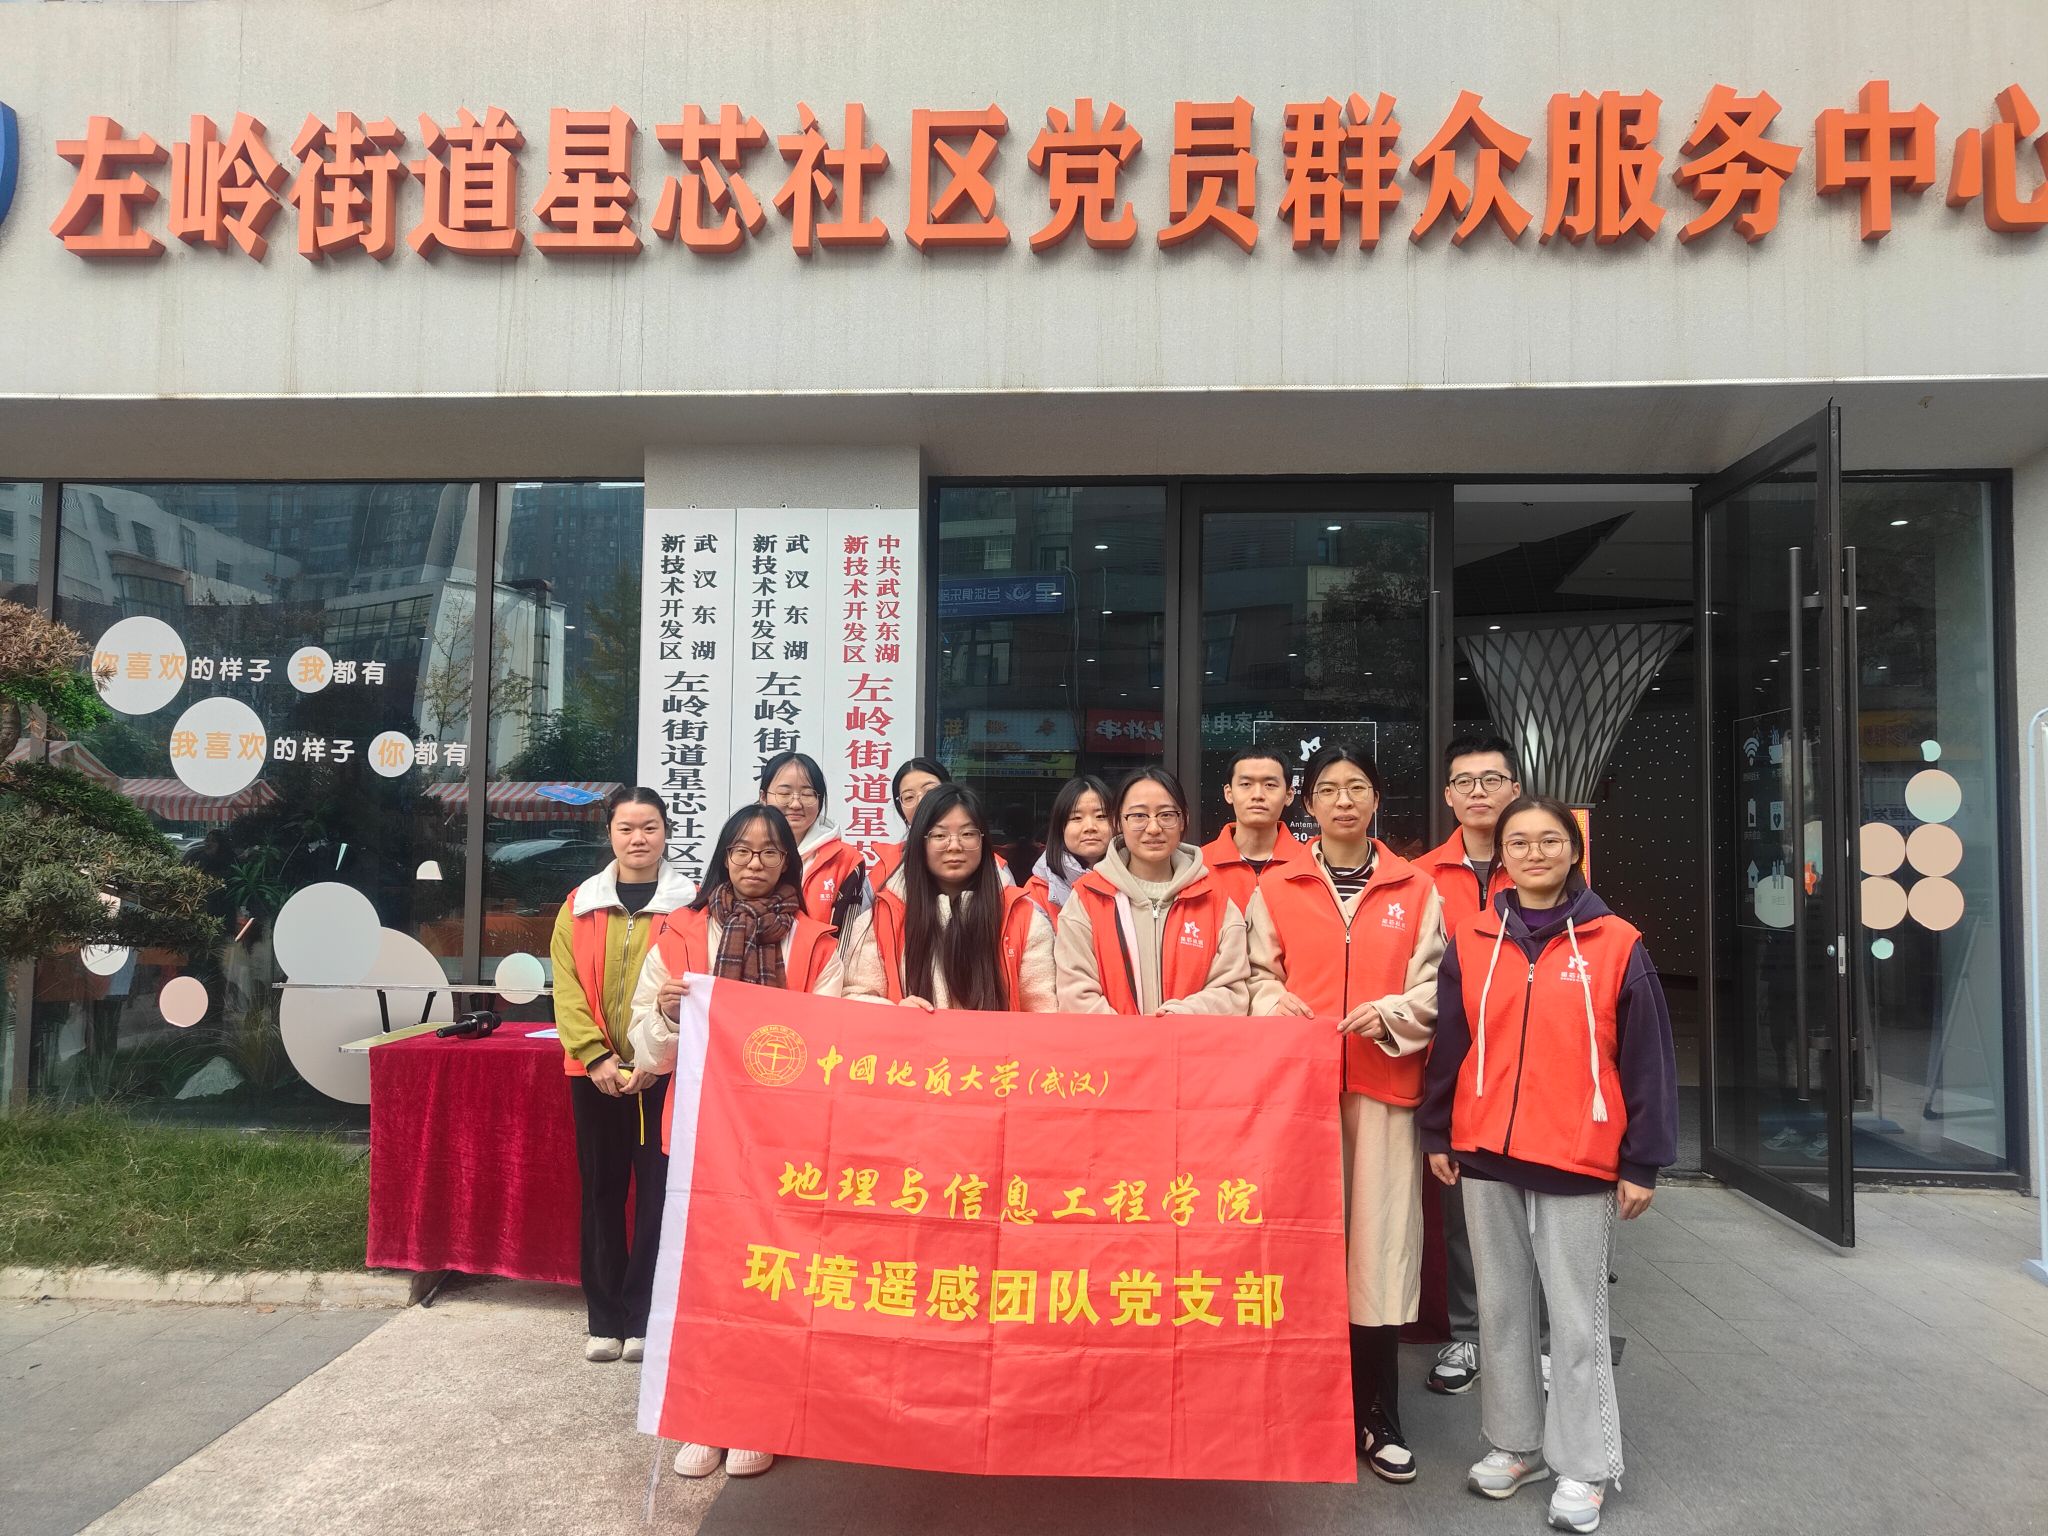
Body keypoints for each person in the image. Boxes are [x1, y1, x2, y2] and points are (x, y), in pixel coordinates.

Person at [1420, 796, 1676, 1535]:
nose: (1534, 853)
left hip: (1578, 1155)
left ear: (1573, 851)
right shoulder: (1474, 938)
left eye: (1549, 841)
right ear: (1502, 856)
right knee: (1500, 1311)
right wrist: (1438, 1131)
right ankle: (1516, 1444)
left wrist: (1643, 1161)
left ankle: (1585, 1465)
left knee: (1575, 1319)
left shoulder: (1617, 942)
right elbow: (1451, 1043)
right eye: (1519, 842)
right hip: (1485, 1151)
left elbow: (1648, 1060)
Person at [1246, 743, 1444, 1484]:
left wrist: (1391, 1013)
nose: (1343, 802)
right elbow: (1252, 975)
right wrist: (1275, 1003)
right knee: (1295, 1249)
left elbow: (1437, 987)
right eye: (1328, 790)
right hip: (1298, 1100)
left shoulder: (1416, 888)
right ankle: (1298, 1406)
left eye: (1357, 787)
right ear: (1308, 805)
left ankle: (1378, 1412)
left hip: (1383, 1091)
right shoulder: (1279, 886)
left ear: (1376, 799)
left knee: (1378, 1255)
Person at [627, 803, 842, 1483]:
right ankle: (706, 1415)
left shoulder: (817, 941)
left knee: (773, 1279)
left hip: (786, 1141)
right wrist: (666, 1018)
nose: (755, 863)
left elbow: (834, 1042)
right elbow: (647, 1050)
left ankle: (759, 1416)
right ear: (723, 856)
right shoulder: (680, 933)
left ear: (789, 861)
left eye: (770, 851)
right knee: (704, 1280)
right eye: (743, 850)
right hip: (701, 1136)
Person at [549, 786, 695, 1365]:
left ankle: (643, 1318)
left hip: (663, 1073)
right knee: (601, 1193)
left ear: (667, 833)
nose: (638, 839)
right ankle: (604, 1319)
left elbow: (690, 987)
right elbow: (565, 988)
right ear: (609, 833)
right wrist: (595, 1056)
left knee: (659, 1194)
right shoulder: (580, 904)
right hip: (595, 1074)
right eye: (626, 828)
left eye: (650, 827)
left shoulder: (690, 907)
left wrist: (655, 1060)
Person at [1415, 734, 1523, 1397]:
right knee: (1463, 1211)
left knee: (1540, 1207)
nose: (1478, 791)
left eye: (1492, 779)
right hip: (1455, 1063)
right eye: (1465, 781)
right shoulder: (1419, 877)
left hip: (1532, 1061)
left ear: (1515, 789)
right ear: (1448, 796)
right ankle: (1468, 1334)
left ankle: (1538, 1343)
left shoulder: (1544, 861)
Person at [838, 783, 1055, 1010]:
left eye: (967, 834)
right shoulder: (881, 919)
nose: (954, 845)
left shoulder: (1024, 919)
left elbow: (1044, 1013)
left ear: (983, 841)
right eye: (940, 835)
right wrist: (896, 1014)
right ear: (920, 842)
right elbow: (856, 998)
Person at [1053, 766, 1249, 1014]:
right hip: (1111, 1040)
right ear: (1118, 822)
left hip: (1189, 1038)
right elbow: (1075, 994)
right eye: (1139, 816)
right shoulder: (1087, 898)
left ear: (1183, 820)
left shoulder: (1215, 899)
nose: (1154, 828)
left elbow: (1232, 992)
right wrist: (1135, 1035)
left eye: (1166, 815)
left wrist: (1179, 1019)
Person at [759, 751, 864, 931]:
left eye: (807, 794)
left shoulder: (846, 860)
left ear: (819, 800)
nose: (795, 804)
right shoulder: (744, 852)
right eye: (784, 793)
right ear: (763, 797)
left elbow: (852, 935)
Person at [1200, 746, 1308, 911]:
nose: (1257, 795)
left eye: (1270, 785)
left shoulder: (1309, 863)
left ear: (1289, 795)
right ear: (1229, 793)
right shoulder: (1199, 866)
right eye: (1246, 784)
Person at [1021, 773, 1113, 921]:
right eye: (1076, 818)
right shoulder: (1038, 890)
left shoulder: (1135, 879)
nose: (1090, 827)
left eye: (1101, 816)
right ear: (1060, 827)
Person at [863, 757, 950, 890]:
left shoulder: (979, 857)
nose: (921, 802)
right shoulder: (886, 869)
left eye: (930, 791)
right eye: (909, 797)